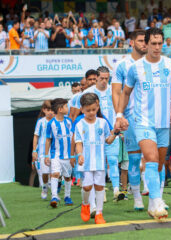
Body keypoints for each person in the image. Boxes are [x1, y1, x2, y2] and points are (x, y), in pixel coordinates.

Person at [115, 28, 171, 221]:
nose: (157, 47)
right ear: (146, 44)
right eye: (153, 43)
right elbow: (125, 93)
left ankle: (156, 200)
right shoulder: (135, 68)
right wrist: (119, 115)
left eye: (159, 43)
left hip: (164, 123)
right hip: (143, 122)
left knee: (160, 164)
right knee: (151, 158)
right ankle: (155, 203)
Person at [111, 29, 147, 210]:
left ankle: (157, 197)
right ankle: (137, 198)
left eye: (146, 41)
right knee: (133, 160)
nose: (144, 44)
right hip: (131, 118)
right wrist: (120, 115)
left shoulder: (154, 64)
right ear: (132, 42)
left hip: (151, 118)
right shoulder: (122, 65)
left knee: (156, 158)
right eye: (141, 40)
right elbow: (116, 92)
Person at [75, 93, 118, 224]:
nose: (91, 112)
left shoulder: (103, 123)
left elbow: (108, 140)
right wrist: (80, 155)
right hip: (86, 163)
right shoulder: (79, 124)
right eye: (88, 110)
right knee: (87, 187)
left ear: (97, 107)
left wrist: (115, 134)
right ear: (82, 109)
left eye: (94, 109)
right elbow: (78, 143)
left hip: (100, 162)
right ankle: (85, 204)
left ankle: (99, 213)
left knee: (99, 187)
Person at [45, 98, 74, 208]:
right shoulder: (51, 123)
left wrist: (73, 154)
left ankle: (67, 196)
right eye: (66, 106)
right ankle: (54, 196)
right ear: (60, 109)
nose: (68, 108)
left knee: (67, 177)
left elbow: (72, 138)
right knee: (55, 174)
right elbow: (48, 139)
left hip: (67, 156)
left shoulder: (69, 122)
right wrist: (46, 155)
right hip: (55, 154)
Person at [32, 101, 54, 199]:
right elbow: (36, 136)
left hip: (54, 150)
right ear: (44, 110)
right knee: (45, 173)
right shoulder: (41, 121)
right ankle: (45, 188)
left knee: (55, 172)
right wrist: (34, 150)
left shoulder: (56, 121)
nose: (50, 112)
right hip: (42, 151)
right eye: (48, 110)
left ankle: (54, 193)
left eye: (52, 110)